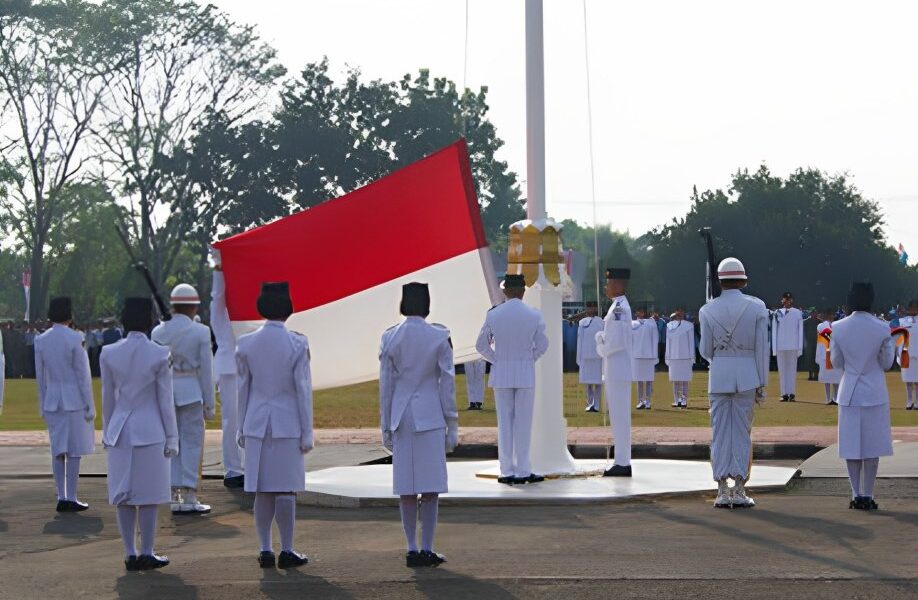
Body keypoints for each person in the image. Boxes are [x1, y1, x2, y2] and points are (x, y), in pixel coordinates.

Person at [380, 283, 458, 568]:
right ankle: (427, 546)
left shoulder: (390, 337)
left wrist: (385, 425)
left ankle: (411, 547)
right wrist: (453, 424)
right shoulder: (439, 335)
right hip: (429, 414)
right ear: (427, 304)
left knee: (407, 488)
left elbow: (386, 386)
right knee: (430, 488)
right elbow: (446, 384)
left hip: (401, 414)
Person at [236, 282, 313, 569]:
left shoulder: (246, 343)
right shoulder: (297, 342)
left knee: (262, 489)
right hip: (286, 422)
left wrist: (240, 427)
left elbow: (243, 389)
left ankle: (265, 548)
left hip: (256, 422)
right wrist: (307, 431)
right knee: (285, 489)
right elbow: (302, 390)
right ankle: (288, 549)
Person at [101, 297, 177, 571]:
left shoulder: (109, 352)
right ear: (150, 321)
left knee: (123, 493)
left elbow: (108, 398)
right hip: (151, 428)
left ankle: (130, 552)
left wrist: (108, 431)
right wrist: (172, 437)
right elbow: (165, 401)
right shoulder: (160, 353)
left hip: (120, 427)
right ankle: (147, 551)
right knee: (148, 495)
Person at [699, 258, 769, 508]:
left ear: (720, 280)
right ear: (743, 280)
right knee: (742, 432)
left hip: (719, 374)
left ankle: (720, 488)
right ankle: (739, 488)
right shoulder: (758, 307)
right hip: (748, 373)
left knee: (719, 432)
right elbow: (762, 349)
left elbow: (705, 350)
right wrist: (763, 383)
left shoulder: (707, 309)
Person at [475, 274, 548, 485]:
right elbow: (543, 345)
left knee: (504, 424)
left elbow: (481, 345)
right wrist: (528, 359)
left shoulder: (494, 314)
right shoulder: (534, 314)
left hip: (502, 373)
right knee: (523, 423)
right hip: (524, 373)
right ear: (523, 291)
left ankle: (506, 471)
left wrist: (497, 360)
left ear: (505, 291)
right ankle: (524, 470)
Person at [830, 282, 896, 510]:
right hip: (874, 389)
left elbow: (836, 362)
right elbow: (887, 364)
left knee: (851, 445)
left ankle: (855, 493)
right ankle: (867, 494)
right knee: (871, 446)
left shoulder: (837, 327)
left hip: (849, 389)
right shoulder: (882, 327)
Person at [151, 283, 215, 514]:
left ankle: (171, 492)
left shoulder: (158, 332)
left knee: (170, 442)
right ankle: (189, 494)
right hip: (191, 390)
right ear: (193, 307)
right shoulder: (201, 331)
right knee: (191, 442)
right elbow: (206, 371)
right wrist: (210, 403)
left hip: (165, 391)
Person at [34, 297, 96, 512]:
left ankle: (62, 495)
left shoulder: (41, 340)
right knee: (74, 449)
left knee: (58, 449)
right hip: (73, 398)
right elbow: (83, 375)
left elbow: (40, 377)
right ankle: (71, 495)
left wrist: (42, 403)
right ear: (69, 315)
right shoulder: (74, 338)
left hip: (53, 398)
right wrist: (90, 404)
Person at [596, 267, 634, 477]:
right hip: (616, 368)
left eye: (609, 283)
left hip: (618, 368)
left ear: (618, 285)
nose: (606, 287)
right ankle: (621, 460)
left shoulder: (619, 309)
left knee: (620, 417)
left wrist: (600, 342)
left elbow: (616, 342)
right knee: (618, 416)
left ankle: (622, 461)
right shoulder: (617, 307)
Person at [210, 250, 244, 487]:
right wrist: (219, 269)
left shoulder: (245, 307)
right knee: (232, 421)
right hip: (229, 368)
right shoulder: (221, 312)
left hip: (247, 366)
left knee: (250, 420)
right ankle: (233, 469)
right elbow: (217, 296)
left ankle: (251, 466)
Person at [772, 292, 803, 402]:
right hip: (781, 346)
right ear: (782, 301)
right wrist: (774, 349)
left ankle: (792, 393)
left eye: (789, 300)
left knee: (792, 371)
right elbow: (774, 331)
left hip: (793, 345)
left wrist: (800, 348)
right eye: (785, 300)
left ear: (792, 301)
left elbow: (800, 331)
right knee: (782, 371)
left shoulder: (798, 313)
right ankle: (784, 393)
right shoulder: (777, 312)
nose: (787, 302)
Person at [665, 307, 695, 408]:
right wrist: (667, 356)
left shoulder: (689, 325)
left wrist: (692, 357)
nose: (679, 313)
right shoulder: (669, 325)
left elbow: (691, 342)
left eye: (681, 311)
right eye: (677, 311)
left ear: (684, 313)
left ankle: (684, 400)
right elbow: (668, 342)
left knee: (684, 380)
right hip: (673, 356)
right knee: (675, 380)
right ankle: (676, 400)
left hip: (685, 356)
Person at [576, 307, 604, 412]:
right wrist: (579, 357)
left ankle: (596, 405)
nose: (591, 310)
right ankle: (589, 403)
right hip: (586, 356)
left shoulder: (601, 322)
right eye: (589, 308)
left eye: (593, 308)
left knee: (597, 382)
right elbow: (580, 340)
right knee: (587, 382)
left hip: (598, 356)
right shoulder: (582, 322)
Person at [631, 306, 659, 410]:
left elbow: (655, 339)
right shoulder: (631, 324)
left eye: (642, 310)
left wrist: (654, 355)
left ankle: (648, 401)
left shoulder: (651, 323)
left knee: (648, 380)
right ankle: (640, 401)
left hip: (649, 355)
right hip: (636, 355)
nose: (640, 312)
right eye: (638, 310)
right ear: (636, 313)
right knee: (639, 380)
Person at [816, 309, 841, 405]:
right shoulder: (821, 326)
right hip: (825, 353)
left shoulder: (837, 325)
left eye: (832, 314)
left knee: (836, 377)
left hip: (834, 353)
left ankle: (835, 398)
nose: (832, 316)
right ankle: (827, 398)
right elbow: (828, 336)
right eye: (830, 314)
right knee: (827, 378)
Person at [897, 299, 918, 409]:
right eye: (911, 307)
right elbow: (900, 338)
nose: (913, 310)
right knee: (908, 381)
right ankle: (909, 402)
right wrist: (898, 353)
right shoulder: (903, 321)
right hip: (906, 353)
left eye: (915, 307)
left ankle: (917, 402)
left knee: (917, 381)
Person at [803, 308, 821, 381]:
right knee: (809, 359)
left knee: (816, 358)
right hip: (809, 343)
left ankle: (816, 375)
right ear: (810, 313)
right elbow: (803, 332)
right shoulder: (806, 322)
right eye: (812, 313)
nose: (814, 314)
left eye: (815, 312)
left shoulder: (820, 321)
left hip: (817, 343)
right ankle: (810, 375)